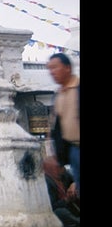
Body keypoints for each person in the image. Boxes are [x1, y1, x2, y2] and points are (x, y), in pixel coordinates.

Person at [43, 52, 79, 198]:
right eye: (49, 68)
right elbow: (56, 127)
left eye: (55, 67)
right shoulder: (58, 94)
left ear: (67, 68)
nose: (52, 72)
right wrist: (55, 155)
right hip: (73, 150)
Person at [44, 159, 80, 227]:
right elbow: (52, 206)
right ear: (51, 169)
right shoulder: (47, 182)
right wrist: (66, 199)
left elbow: (75, 179)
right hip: (62, 209)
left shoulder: (64, 175)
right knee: (60, 212)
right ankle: (77, 221)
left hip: (73, 206)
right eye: (59, 167)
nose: (63, 169)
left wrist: (74, 184)